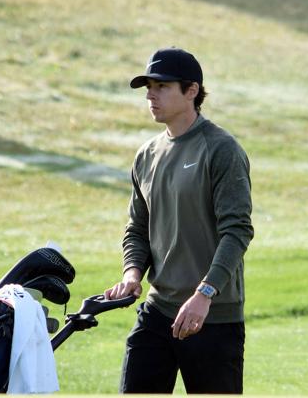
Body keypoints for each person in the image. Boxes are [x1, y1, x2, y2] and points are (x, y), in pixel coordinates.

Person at [104, 47, 254, 394]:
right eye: (148, 88)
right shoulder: (146, 154)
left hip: (213, 317)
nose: (150, 95)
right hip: (158, 312)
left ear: (192, 91)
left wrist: (205, 293)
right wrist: (131, 274)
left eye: (162, 86)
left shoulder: (221, 149)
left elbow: (238, 231)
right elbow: (137, 229)